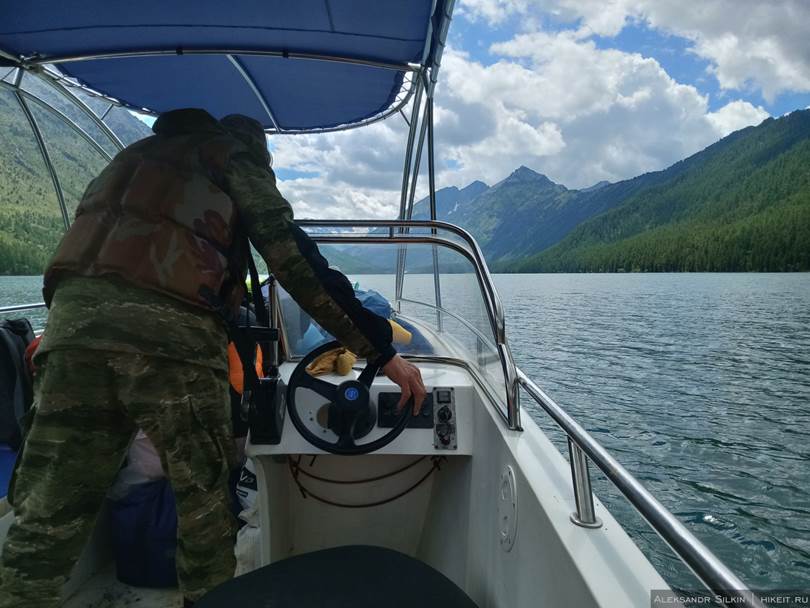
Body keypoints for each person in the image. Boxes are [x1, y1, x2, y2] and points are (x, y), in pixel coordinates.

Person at [0, 108, 426, 608]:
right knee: (202, 505)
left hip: (71, 336)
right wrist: (382, 353)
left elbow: (106, 254)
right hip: (171, 341)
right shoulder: (232, 156)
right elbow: (294, 261)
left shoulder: (131, 160)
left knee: (48, 510)